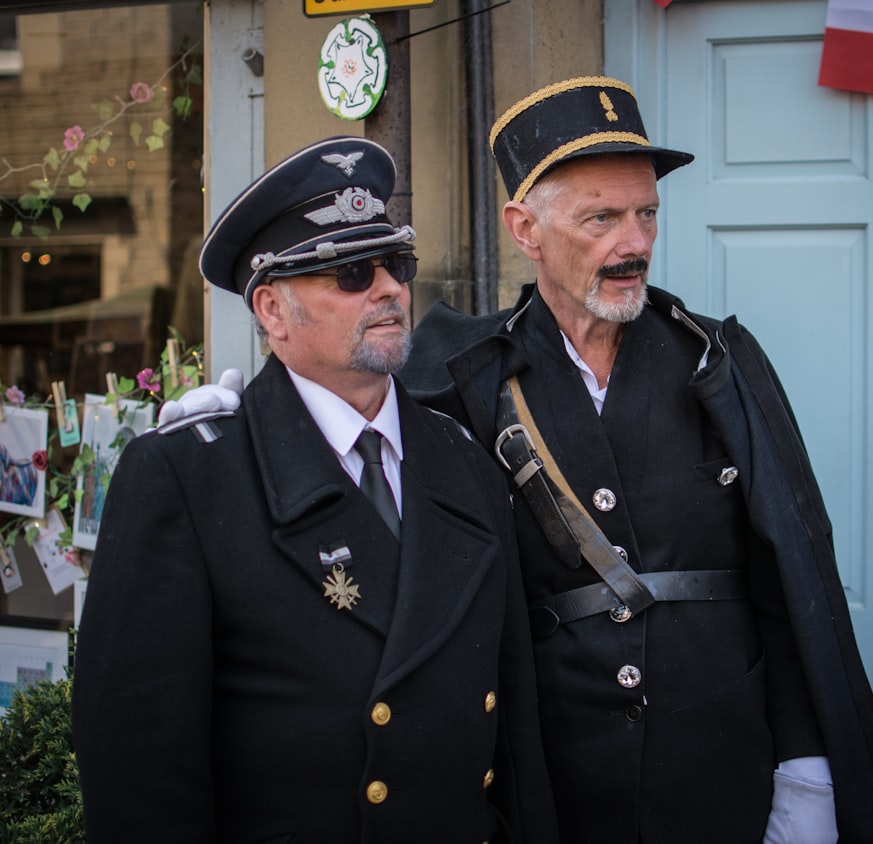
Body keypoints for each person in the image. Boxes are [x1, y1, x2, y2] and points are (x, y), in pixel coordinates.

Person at [166, 78, 873, 843]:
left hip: (723, 771)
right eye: (603, 218)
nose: (636, 243)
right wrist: (241, 435)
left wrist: (805, 774)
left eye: (646, 213)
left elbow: (790, 583)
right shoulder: (456, 375)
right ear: (525, 228)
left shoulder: (717, 363)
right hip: (555, 787)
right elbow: (350, 436)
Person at [71, 136, 559, 844]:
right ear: (272, 311)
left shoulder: (465, 461)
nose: (391, 288)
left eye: (397, 263)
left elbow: (516, 732)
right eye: (352, 272)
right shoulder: (187, 478)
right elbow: (140, 776)